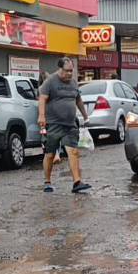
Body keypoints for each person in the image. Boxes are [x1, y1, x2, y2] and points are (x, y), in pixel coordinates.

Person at [38, 57, 91, 194]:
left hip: (70, 124)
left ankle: (77, 182)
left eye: (71, 71)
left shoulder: (73, 83)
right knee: (50, 155)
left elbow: (78, 99)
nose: (69, 74)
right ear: (59, 68)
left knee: (73, 151)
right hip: (54, 124)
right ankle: (47, 182)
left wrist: (85, 116)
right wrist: (42, 116)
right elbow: (42, 98)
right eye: (67, 71)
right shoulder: (50, 82)